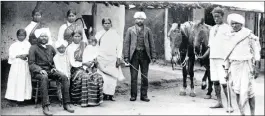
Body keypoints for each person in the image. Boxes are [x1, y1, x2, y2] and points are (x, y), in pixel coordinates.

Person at [28, 28, 74, 116]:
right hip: (38, 72)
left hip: (49, 70)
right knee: (44, 77)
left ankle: (66, 103)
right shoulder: (33, 48)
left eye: (46, 36)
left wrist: (53, 67)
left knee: (64, 76)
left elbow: (55, 59)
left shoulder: (50, 47)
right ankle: (45, 106)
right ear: (38, 37)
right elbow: (31, 63)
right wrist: (39, 70)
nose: (44, 38)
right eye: (42, 36)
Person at [224, 13, 261, 116]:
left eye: (236, 23)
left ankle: (252, 113)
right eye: (232, 24)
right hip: (234, 67)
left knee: (249, 91)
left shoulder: (248, 35)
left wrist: (257, 66)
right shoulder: (228, 36)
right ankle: (242, 113)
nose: (234, 25)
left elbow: (256, 51)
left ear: (241, 24)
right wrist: (226, 70)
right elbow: (226, 54)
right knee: (237, 90)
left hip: (246, 65)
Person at [198, 7, 233, 112]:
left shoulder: (228, 28)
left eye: (218, 16)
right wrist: (203, 56)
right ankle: (219, 102)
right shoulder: (212, 29)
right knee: (215, 81)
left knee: (224, 82)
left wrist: (230, 60)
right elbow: (210, 46)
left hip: (223, 59)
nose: (216, 19)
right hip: (212, 58)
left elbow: (231, 45)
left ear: (223, 16)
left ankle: (230, 104)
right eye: (214, 17)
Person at [123, 12, 156, 102]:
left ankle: (144, 96)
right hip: (134, 55)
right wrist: (126, 56)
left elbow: (151, 43)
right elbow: (126, 44)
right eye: (138, 18)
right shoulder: (130, 30)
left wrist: (153, 56)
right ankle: (133, 95)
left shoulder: (148, 30)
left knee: (144, 76)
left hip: (145, 55)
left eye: (141, 19)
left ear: (144, 20)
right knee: (134, 77)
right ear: (135, 20)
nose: (140, 20)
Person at [68, 28, 103, 107]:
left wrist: (93, 61)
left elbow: (91, 55)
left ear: (81, 37)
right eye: (75, 36)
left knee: (98, 76)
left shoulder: (85, 45)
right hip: (76, 69)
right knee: (85, 77)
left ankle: (93, 101)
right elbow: (72, 63)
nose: (77, 38)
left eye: (79, 36)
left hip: (87, 67)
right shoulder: (70, 48)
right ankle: (81, 100)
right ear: (72, 37)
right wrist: (84, 63)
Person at [96, 18, 125, 101]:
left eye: (109, 23)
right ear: (102, 24)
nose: (107, 25)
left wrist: (118, 58)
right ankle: (104, 94)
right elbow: (96, 46)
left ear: (111, 24)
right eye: (105, 23)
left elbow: (119, 47)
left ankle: (111, 95)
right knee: (103, 77)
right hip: (102, 58)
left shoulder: (115, 34)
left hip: (112, 58)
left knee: (112, 77)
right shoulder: (99, 34)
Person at [5, 29, 32, 102]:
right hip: (16, 65)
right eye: (19, 35)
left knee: (24, 80)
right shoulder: (13, 45)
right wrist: (19, 56)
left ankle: (25, 97)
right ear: (17, 36)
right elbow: (11, 55)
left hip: (24, 64)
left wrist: (26, 56)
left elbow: (30, 53)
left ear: (25, 36)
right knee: (15, 80)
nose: (21, 37)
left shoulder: (28, 44)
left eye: (23, 35)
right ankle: (13, 97)